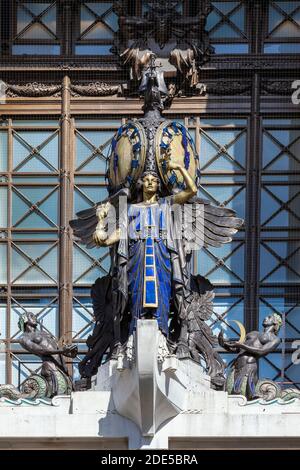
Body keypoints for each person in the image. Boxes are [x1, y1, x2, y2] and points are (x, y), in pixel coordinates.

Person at [93, 162, 197, 337]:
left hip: (161, 257)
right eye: (146, 180)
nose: (150, 183)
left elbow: (191, 190)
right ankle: (135, 335)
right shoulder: (131, 209)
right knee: (136, 296)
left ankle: (162, 335)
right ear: (141, 185)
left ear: (158, 185)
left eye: (153, 180)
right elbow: (108, 239)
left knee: (162, 293)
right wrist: (101, 221)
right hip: (137, 258)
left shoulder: (166, 203)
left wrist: (179, 167)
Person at [218, 313, 282, 399]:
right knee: (231, 392)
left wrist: (241, 345)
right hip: (236, 366)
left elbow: (262, 351)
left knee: (242, 393)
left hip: (249, 367)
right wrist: (224, 345)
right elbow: (237, 350)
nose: (265, 317)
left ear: (275, 322)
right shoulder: (253, 333)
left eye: (269, 317)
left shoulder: (275, 339)